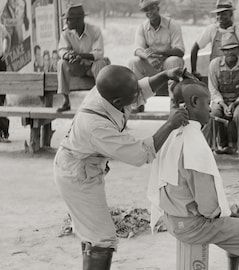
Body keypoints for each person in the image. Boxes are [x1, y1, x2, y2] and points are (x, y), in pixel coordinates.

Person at [54, 65, 189, 270]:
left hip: (83, 167)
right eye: (133, 93)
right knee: (102, 240)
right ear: (117, 102)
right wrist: (170, 124)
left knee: (93, 234)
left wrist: (164, 75)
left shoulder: (107, 92)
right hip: (76, 175)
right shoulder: (96, 126)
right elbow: (141, 153)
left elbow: (138, 91)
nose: (138, 95)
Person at [148, 79, 239, 270]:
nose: (210, 109)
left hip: (173, 214)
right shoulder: (194, 146)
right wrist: (229, 214)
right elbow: (210, 209)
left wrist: (232, 213)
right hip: (194, 224)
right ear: (194, 102)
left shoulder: (170, 132)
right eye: (208, 104)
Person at [205, 34, 239, 174]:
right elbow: (213, 89)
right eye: (227, 50)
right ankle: (208, 154)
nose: (231, 53)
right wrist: (223, 105)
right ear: (222, 51)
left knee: (238, 115)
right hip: (220, 100)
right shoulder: (215, 64)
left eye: (234, 49)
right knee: (213, 115)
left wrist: (235, 104)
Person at [128, 0, 185, 112]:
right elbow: (137, 49)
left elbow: (180, 51)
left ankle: (174, 103)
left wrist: (160, 52)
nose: (150, 12)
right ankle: (137, 103)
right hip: (152, 65)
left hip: (167, 63)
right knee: (133, 62)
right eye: (146, 10)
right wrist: (149, 58)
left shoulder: (172, 24)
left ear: (158, 8)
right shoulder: (142, 27)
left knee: (174, 61)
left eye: (152, 8)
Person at [190, 0, 239, 81]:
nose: (220, 17)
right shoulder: (212, 29)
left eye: (224, 14)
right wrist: (194, 71)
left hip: (235, 74)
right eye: (218, 14)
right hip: (215, 74)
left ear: (231, 14)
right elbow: (195, 48)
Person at [57, 4, 109, 112]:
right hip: (77, 67)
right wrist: (69, 55)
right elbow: (61, 50)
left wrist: (80, 56)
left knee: (100, 63)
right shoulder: (66, 32)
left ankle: (103, 101)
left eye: (68, 20)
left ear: (78, 20)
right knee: (61, 63)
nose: (66, 22)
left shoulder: (94, 30)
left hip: (91, 67)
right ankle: (65, 100)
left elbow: (99, 53)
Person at [0, 23, 11, 143]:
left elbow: (7, 36)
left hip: (0, 63)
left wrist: (6, 51)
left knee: (1, 98)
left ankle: (3, 131)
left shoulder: (0, 27)